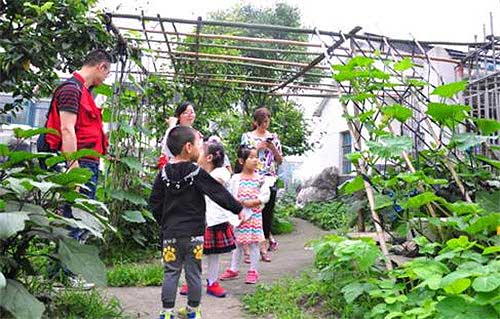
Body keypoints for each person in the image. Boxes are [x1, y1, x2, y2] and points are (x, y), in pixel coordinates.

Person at [149, 126, 244, 319]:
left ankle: (166, 313)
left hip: (171, 234)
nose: (202, 149)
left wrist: (164, 222)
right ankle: (193, 311)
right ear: (189, 147)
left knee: (171, 272)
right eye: (200, 144)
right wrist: (237, 208)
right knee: (193, 272)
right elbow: (217, 193)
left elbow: (154, 202)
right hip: (194, 235)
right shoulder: (196, 172)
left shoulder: (163, 173)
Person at [179, 140, 235, 298]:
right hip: (198, 219)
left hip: (215, 220)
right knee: (193, 252)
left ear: (209, 157)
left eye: (200, 151)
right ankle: (191, 282)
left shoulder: (221, 172)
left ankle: (212, 282)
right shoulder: (195, 171)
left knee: (213, 255)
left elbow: (211, 184)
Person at [219, 146, 271, 285]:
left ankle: (253, 270)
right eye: (251, 157)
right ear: (242, 161)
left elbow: (265, 196)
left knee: (254, 243)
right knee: (237, 242)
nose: (255, 160)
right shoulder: (235, 178)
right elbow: (230, 195)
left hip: (254, 215)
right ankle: (233, 269)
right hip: (240, 216)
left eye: (256, 157)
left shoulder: (260, 179)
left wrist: (253, 202)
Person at [240, 107, 283, 261]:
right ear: (255, 122)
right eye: (262, 122)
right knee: (250, 211)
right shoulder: (247, 137)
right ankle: (247, 249)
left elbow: (280, 160)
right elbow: (243, 157)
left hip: (270, 178)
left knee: (267, 213)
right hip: (252, 177)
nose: (265, 125)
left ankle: (263, 248)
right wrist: (258, 148)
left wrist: (272, 148)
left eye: (267, 121)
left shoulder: (273, 137)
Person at [157, 101, 203, 168]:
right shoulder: (173, 130)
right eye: (185, 113)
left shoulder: (196, 133)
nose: (189, 115)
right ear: (179, 116)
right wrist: (171, 127)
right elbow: (166, 149)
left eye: (192, 112)